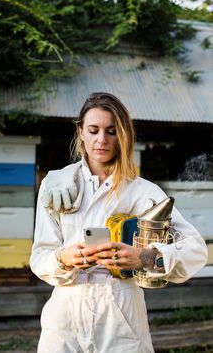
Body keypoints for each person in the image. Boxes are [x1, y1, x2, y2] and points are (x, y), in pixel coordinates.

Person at [30, 92, 207, 353]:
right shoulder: (57, 185)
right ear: (80, 132)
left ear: (122, 134)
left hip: (121, 319)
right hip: (65, 319)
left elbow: (196, 251)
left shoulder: (143, 192)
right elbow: (39, 257)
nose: (101, 140)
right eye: (93, 130)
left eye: (111, 131)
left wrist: (145, 257)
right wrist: (64, 258)